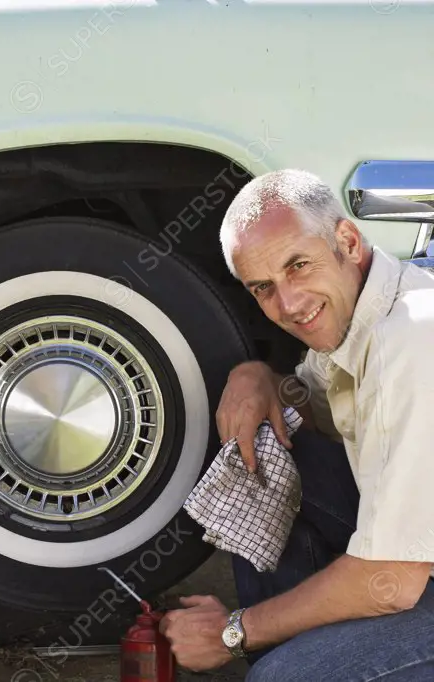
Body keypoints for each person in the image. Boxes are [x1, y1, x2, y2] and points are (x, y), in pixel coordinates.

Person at [159, 169, 434, 681]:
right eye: (264, 288)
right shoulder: (357, 320)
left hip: (408, 574)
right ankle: (296, 650)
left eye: (299, 266)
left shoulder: (412, 339)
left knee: (283, 678)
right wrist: (257, 376)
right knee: (264, 444)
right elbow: (308, 408)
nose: (289, 304)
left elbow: (392, 580)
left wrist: (234, 632)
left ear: (347, 242)